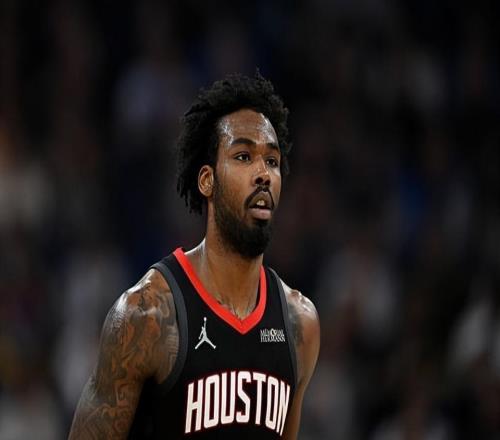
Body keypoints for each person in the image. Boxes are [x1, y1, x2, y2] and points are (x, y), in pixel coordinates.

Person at [68, 72, 320, 439]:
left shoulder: (300, 324)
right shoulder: (146, 316)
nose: (263, 174)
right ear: (207, 181)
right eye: (244, 156)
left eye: (271, 161)